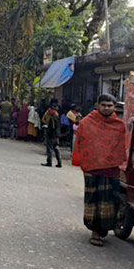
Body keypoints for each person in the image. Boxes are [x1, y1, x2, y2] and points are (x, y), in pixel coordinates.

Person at [73, 94, 127, 247]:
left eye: (110, 105)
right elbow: (80, 144)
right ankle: (95, 232)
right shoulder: (86, 123)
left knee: (112, 200)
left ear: (114, 107)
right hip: (93, 169)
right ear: (97, 105)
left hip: (111, 170)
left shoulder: (119, 126)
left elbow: (122, 147)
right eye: (104, 105)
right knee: (95, 200)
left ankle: (103, 227)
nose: (107, 108)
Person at [41, 100, 62, 167]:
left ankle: (49, 162)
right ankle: (59, 163)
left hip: (51, 133)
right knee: (56, 148)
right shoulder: (57, 115)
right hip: (57, 134)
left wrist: (48, 132)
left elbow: (44, 120)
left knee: (49, 148)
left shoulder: (49, 113)